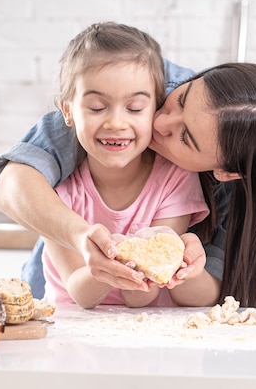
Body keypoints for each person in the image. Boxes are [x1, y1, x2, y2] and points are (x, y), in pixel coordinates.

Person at [0, 28, 256, 309]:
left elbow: (209, 288)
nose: (160, 120)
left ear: (227, 172)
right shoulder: (124, 82)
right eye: (180, 101)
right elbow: (10, 187)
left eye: (185, 138)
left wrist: (178, 266)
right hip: (60, 305)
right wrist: (81, 238)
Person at [41, 22, 209, 309]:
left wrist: (151, 263)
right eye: (96, 107)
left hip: (147, 333)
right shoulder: (56, 190)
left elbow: (143, 296)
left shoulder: (174, 179)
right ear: (68, 111)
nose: (116, 123)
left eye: (134, 108)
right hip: (72, 333)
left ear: (156, 108)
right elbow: (81, 293)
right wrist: (119, 256)